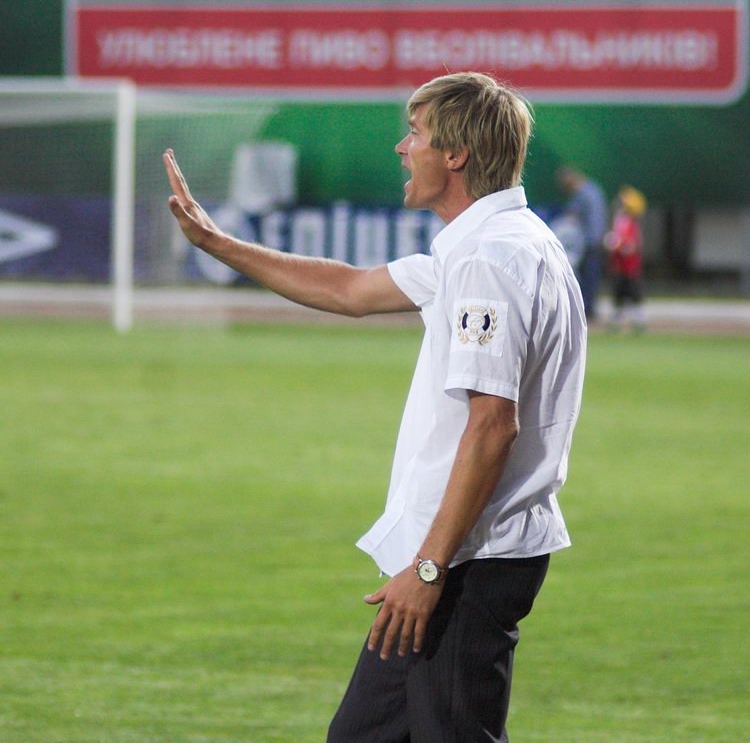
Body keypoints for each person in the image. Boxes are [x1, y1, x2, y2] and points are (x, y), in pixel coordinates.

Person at [164, 71, 586, 742]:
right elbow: (350, 289)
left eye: (415, 134)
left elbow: (491, 426)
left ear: (455, 154)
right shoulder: (501, 244)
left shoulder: (488, 259)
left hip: (465, 562)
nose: (401, 147)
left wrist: (428, 568)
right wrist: (220, 244)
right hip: (458, 557)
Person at [557, 166, 608, 320]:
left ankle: (586, 310)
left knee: (585, 277)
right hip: (597, 238)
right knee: (592, 277)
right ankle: (589, 308)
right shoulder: (594, 189)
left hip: (587, 241)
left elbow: (571, 214)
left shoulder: (581, 194)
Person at [605, 185, 648, 332]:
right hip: (619, 266)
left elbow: (631, 246)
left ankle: (638, 321)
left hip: (629, 266)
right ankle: (617, 321)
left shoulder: (630, 223)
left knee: (634, 294)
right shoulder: (620, 221)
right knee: (618, 295)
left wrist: (617, 245)